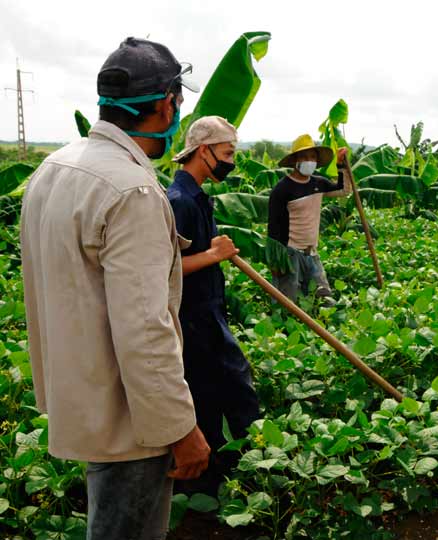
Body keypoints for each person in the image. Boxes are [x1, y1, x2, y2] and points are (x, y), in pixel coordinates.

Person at [20, 37, 210, 540]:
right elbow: (145, 329)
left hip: (81, 399)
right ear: (167, 104)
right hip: (131, 419)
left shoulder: (54, 168)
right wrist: (180, 429)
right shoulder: (134, 191)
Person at [168, 115, 261, 495]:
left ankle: (233, 466)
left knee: (226, 389)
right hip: (192, 318)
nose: (230, 162)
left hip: (208, 311)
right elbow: (164, 271)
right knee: (220, 391)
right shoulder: (179, 203)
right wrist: (213, 254)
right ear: (203, 152)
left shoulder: (197, 198)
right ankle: (213, 480)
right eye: (226, 153)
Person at [267, 134, 351, 304]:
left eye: (312, 157)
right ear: (295, 161)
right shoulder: (282, 189)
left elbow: (343, 190)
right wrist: (275, 261)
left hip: (311, 252)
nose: (309, 160)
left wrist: (342, 165)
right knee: (288, 302)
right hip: (289, 253)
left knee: (324, 297)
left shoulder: (318, 183)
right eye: (304, 157)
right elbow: (273, 227)